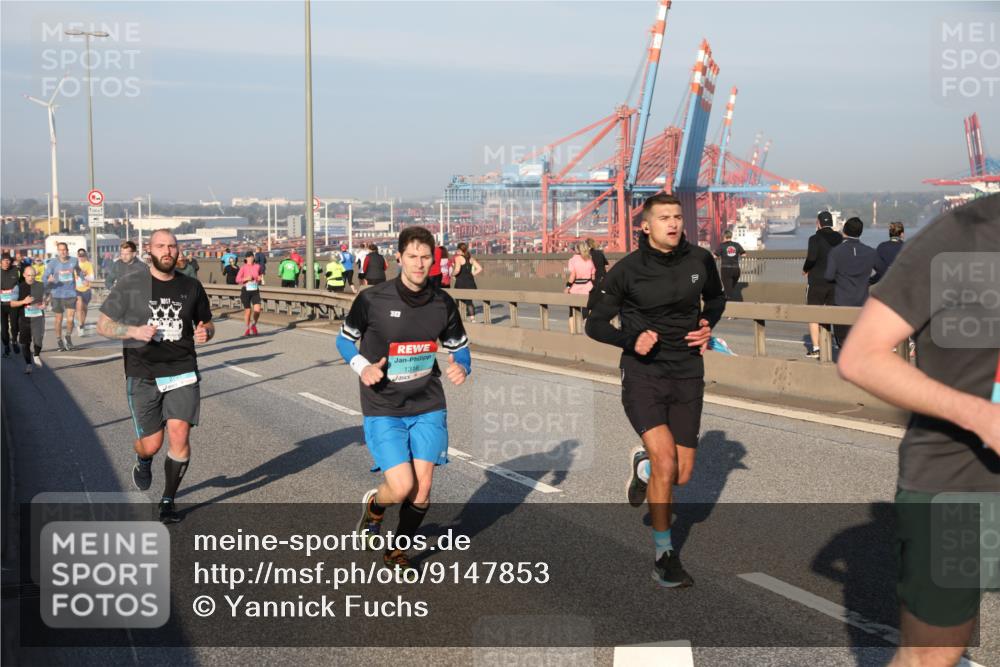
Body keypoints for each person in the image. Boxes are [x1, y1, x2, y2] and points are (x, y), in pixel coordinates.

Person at [837, 194, 1000, 667]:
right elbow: (861, 355)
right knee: (932, 654)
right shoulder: (965, 232)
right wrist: (981, 416)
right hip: (959, 481)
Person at [585, 193, 725, 589]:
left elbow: (716, 298)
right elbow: (595, 323)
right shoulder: (626, 271)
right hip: (643, 374)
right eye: (664, 217)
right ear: (645, 226)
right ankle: (664, 556)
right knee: (667, 462)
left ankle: (642, 468)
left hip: (687, 372)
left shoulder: (700, 260)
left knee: (681, 475)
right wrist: (630, 341)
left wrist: (706, 321)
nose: (673, 223)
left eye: (678, 216)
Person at [340, 226, 471, 571]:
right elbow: (343, 341)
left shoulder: (443, 302)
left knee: (423, 489)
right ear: (398, 258)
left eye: (425, 257)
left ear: (434, 260)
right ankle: (375, 508)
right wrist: (362, 367)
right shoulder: (372, 299)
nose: (418, 263)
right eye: (411, 256)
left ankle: (397, 550)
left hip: (427, 403)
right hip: (383, 405)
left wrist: (463, 367)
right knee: (401, 487)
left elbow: (460, 347)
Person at [97, 229, 214, 524]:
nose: (168, 251)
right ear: (149, 250)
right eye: (161, 246)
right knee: (151, 443)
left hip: (181, 369)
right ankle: (144, 459)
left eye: (172, 246)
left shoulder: (191, 286)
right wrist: (133, 331)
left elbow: (207, 323)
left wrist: (206, 332)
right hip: (142, 373)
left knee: (180, 433)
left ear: (178, 251)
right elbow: (103, 325)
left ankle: (168, 500)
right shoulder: (130, 284)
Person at [824, 217, 877, 345]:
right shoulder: (870, 251)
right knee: (861, 341)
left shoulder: (836, 251)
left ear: (844, 230)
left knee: (843, 342)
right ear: (860, 232)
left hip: (842, 302)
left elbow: (828, 276)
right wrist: (870, 280)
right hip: (862, 303)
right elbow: (883, 271)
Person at [802, 210, 843, 358]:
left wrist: (806, 269)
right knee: (833, 313)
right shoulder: (840, 238)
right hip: (835, 281)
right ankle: (837, 344)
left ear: (818, 223)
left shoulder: (814, 239)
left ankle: (817, 348)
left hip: (817, 281)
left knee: (813, 313)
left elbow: (811, 258)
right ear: (831, 223)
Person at [43, 242, 81, 352]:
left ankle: (68, 337)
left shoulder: (74, 260)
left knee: (70, 319)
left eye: (64, 249)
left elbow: (78, 271)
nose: (62, 252)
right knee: (58, 319)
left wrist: (81, 275)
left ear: (67, 250)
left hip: (70, 293)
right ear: (58, 251)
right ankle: (59, 340)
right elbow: (44, 277)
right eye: (60, 250)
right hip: (57, 294)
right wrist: (48, 280)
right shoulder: (53, 263)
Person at [10, 264, 45, 373]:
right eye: (29, 275)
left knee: (38, 340)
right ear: (24, 275)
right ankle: (28, 364)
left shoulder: (41, 285)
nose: (31, 277)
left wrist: (45, 303)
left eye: (33, 275)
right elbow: (12, 303)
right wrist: (24, 302)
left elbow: (48, 298)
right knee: (25, 343)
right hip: (24, 319)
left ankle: (36, 354)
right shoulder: (18, 287)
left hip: (38, 317)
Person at [451, 242, 482, 320]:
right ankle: (473, 319)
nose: (456, 252)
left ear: (460, 250)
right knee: (469, 302)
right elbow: (480, 268)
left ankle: (458, 319)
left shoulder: (458, 258)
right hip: (470, 282)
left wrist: (452, 274)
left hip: (461, 282)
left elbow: (457, 270)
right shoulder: (471, 258)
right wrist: (472, 273)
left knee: (458, 301)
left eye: (457, 250)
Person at [236, 251, 263, 337]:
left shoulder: (257, 266)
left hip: (255, 290)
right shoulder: (243, 268)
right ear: (246, 259)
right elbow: (237, 280)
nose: (250, 258)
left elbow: (260, 277)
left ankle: (253, 325)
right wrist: (246, 278)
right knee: (248, 311)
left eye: (252, 257)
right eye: (249, 257)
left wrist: (259, 278)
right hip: (246, 290)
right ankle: (247, 328)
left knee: (257, 310)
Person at [714, 229, 746, 301]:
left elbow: (715, 256)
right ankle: (730, 299)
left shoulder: (722, 245)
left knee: (727, 289)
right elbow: (744, 254)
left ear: (724, 236)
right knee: (731, 287)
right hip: (736, 269)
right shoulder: (737, 244)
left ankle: (729, 304)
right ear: (731, 236)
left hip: (726, 269)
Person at [2, 253, 21, 358]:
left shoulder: (16, 270)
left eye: (8, 260)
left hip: (13, 303)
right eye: (4, 260)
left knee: (14, 325)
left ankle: (14, 341)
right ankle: (6, 346)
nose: (6, 262)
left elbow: (23, 281)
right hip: (1, 304)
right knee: (3, 328)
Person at [73, 249, 96, 337]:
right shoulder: (75, 264)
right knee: (79, 305)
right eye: (80, 255)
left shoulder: (89, 264)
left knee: (84, 309)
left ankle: (82, 324)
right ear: (78, 256)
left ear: (85, 255)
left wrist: (86, 278)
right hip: (76, 289)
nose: (81, 257)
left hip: (86, 289)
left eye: (83, 255)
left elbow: (92, 277)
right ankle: (80, 326)